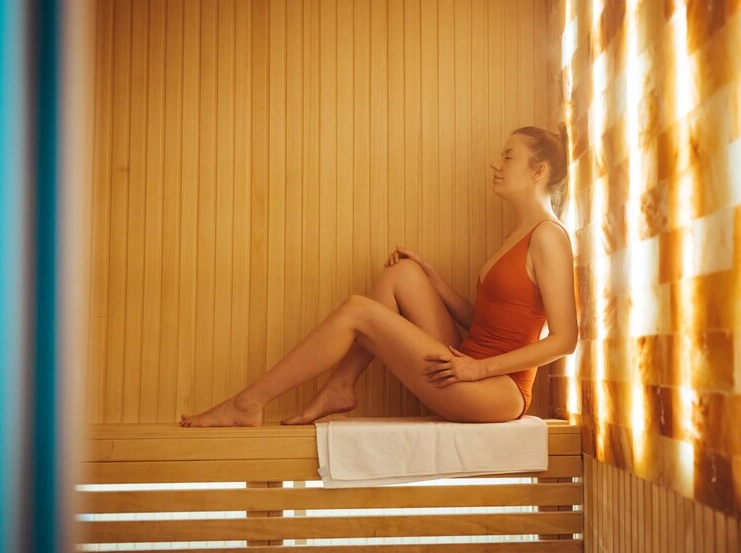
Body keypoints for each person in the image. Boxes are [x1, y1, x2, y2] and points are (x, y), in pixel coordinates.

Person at [180, 125, 577, 427]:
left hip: (497, 390)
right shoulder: (517, 235)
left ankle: (248, 403)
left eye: (508, 156)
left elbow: (565, 340)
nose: (497, 163)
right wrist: (431, 276)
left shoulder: (549, 237)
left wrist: (478, 369)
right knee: (401, 273)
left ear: (538, 170)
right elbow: (484, 323)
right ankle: (341, 385)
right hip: (468, 361)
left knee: (357, 311)